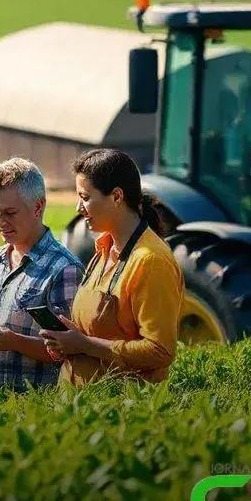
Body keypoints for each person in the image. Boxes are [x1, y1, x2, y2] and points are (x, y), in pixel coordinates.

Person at [40, 148, 183, 385]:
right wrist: (66, 342)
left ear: (117, 197)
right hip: (79, 405)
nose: (78, 207)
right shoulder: (102, 250)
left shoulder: (151, 261)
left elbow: (160, 351)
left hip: (121, 409)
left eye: (85, 197)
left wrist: (85, 345)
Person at [0, 158, 82, 391]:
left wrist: (15, 343)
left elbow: (71, 352)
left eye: (10, 213)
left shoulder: (65, 269)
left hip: (32, 410)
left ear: (38, 207)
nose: (1, 222)